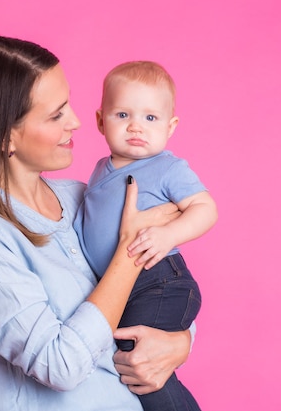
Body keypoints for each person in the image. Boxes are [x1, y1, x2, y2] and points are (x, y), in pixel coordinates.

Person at [0, 36, 194, 411]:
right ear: (5, 138)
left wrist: (182, 342)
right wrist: (129, 252)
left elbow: (161, 291)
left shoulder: (82, 198)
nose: (78, 122)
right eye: (56, 114)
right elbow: (60, 366)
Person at [75, 61, 218, 411]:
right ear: (100, 121)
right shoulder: (99, 170)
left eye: (150, 118)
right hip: (123, 286)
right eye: (122, 114)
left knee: (139, 364)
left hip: (160, 280)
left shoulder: (167, 167)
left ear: (171, 127)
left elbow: (205, 208)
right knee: (136, 367)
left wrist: (168, 235)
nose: (136, 126)